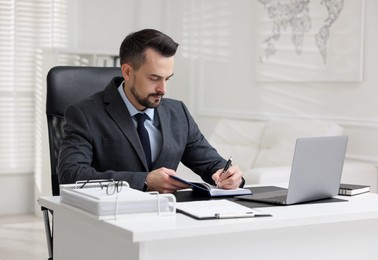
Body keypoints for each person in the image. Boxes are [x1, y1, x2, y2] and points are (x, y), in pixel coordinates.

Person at [58, 28, 244, 193]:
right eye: (154, 78)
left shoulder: (178, 113)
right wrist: (144, 181)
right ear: (128, 72)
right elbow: (71, 175)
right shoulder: (84, 114)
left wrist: (229, 175)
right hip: (108, 221)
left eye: (167, 79)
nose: (163, 89)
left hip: (166, 220)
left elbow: (210, 163)